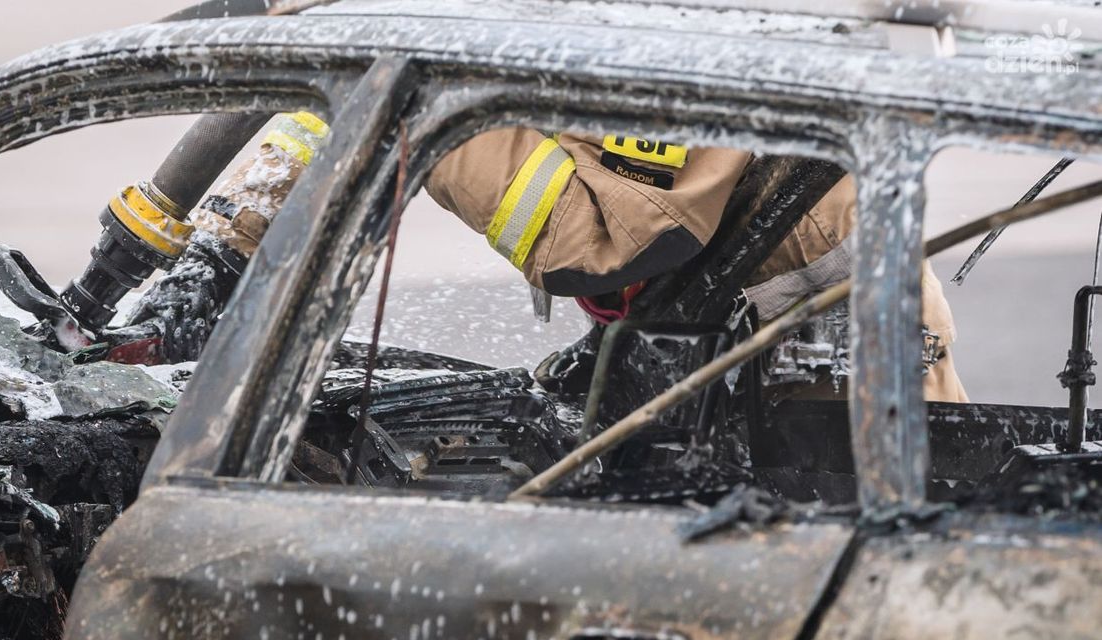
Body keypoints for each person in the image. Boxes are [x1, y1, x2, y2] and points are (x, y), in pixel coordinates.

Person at [141, 112, 967, 402]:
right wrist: (216, 248)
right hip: (731, 285)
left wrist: (428, 126)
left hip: (821, 302)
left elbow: (615, 245)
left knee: (903, 576)